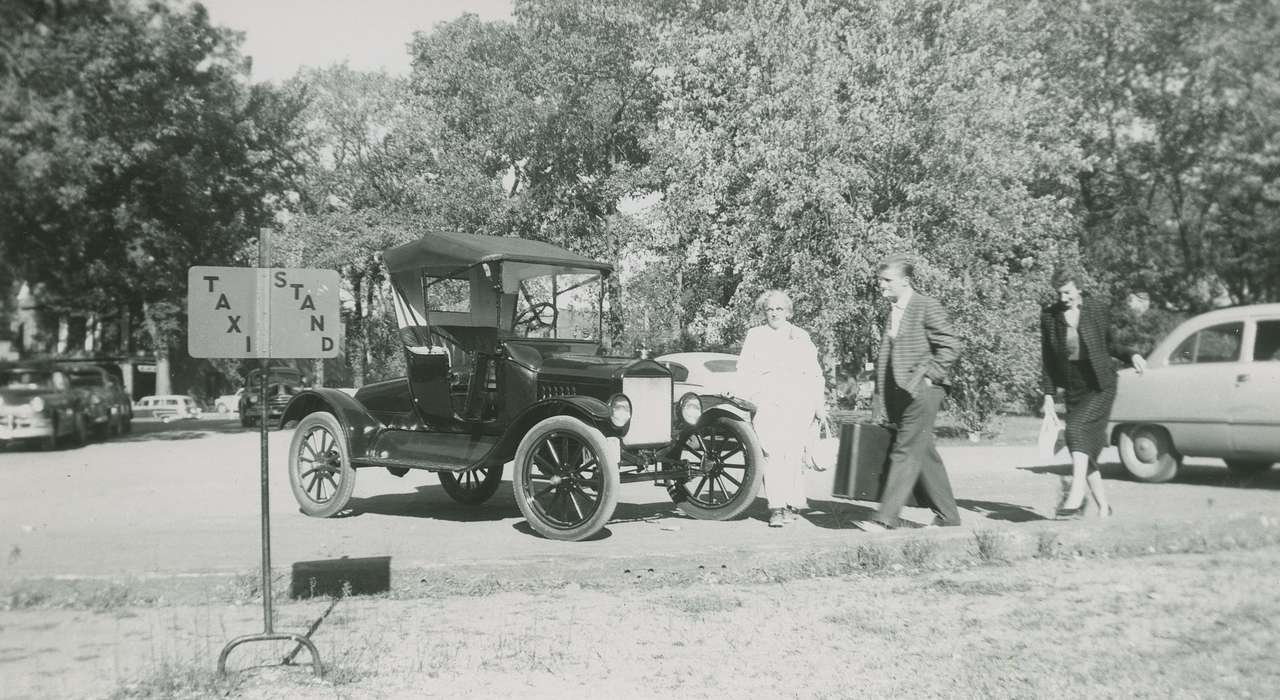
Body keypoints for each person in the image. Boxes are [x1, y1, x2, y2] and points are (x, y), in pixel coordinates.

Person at [856, 255, 963, 531]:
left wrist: (930, 376)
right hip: (902, 394)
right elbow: (887, 359)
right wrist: (879, 399)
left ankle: (886, 518)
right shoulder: (893, 310)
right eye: (880, 280)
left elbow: (950, 345)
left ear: (905, 281)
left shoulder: (926, 306)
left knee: (904, 450)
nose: (881, 285)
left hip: (925, 391)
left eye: (887, 280)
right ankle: (948, 517)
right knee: (923, 453)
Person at [1041, 269, 1146, 519]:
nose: (1063, 297)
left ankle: (1076, 496)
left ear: (1078, 287)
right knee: (1082, 448)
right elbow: (1047, 359)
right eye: (1059, 293)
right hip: (1074, 387)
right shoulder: (1049, 316)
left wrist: (1132, 354)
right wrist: (1048, 395)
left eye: (1067, 292)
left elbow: (1110, 344)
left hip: (1100, 384)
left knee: (1075, 432)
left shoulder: (1097, 308)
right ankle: (1104, 509)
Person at [735, 290, 827, 528]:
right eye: (770, 309)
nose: (774, 313)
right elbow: (744, 370)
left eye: (779, 309)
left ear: (789, 312)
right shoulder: (755, 336)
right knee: (771, 453)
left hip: (798, 403)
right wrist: (747, 400)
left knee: (793, 455)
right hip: (767, 403)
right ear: (764, 312)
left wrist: (818, 405)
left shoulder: (800, 336)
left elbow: (814, 373)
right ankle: (776, 507)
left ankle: (791, 504)